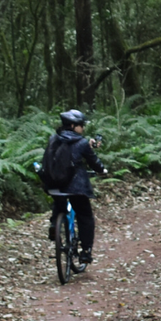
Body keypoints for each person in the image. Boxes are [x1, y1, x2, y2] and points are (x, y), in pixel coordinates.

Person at [45, 109, 106, 263]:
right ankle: (86, 251)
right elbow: (93, 161)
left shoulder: (53, 139)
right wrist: (102, 170)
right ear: (72, 125)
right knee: (85, 216)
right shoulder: (81, 143)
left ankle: (54, 224)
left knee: (59, 202)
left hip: (55, 184)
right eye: (80, 125)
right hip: (76, 187)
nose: (83, 128)